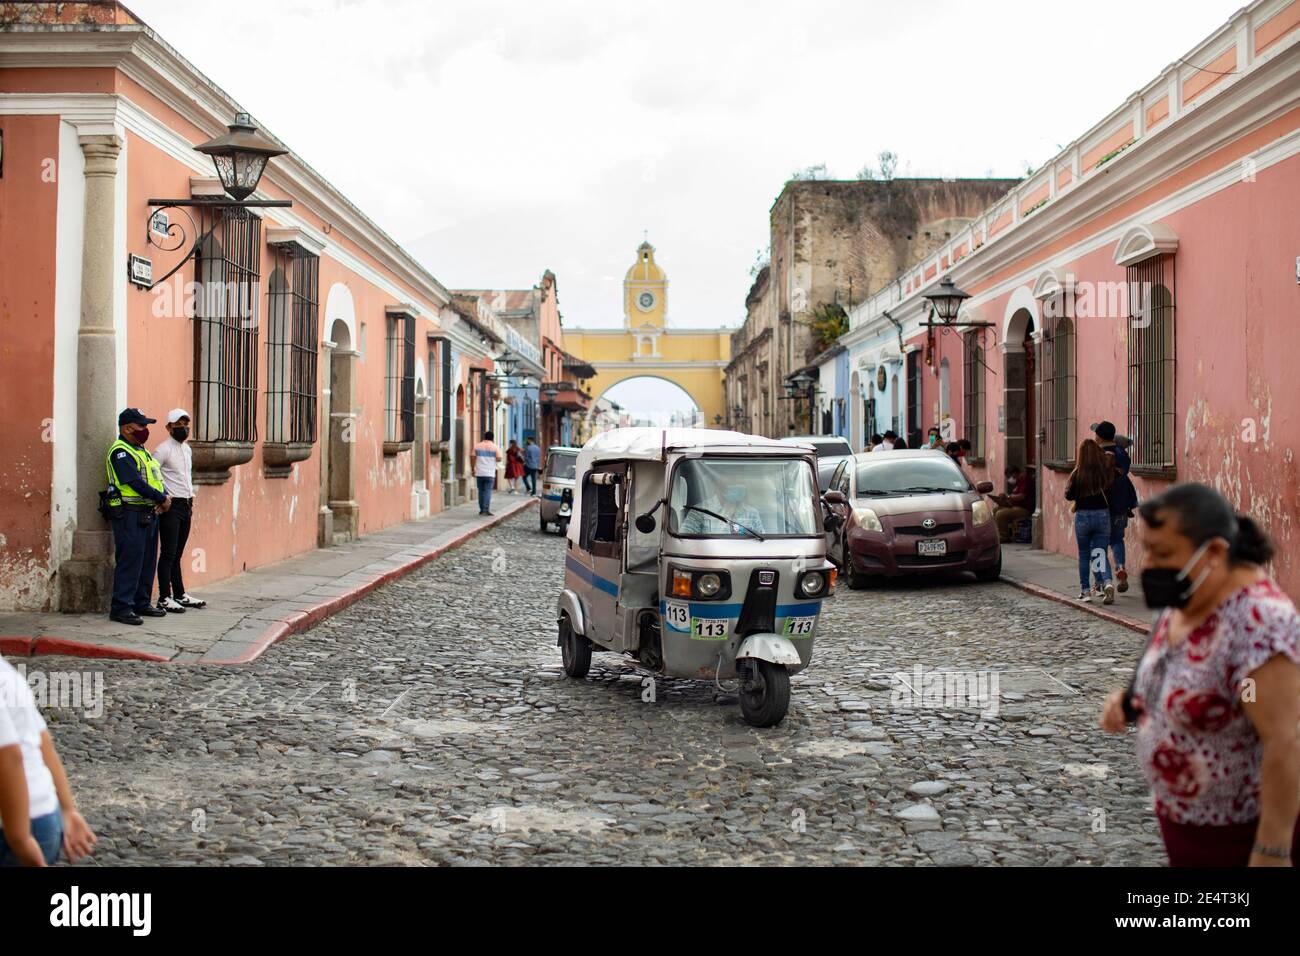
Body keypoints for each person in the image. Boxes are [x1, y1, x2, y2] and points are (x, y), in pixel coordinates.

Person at [1099, 484, 1299, 867]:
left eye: (1163, 553)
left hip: (1239, 836)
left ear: (1215, 553)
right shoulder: (1190, 595)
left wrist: (1271, 849)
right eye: (1148, 549)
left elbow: (1282, 741)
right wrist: (1129, 703)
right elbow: (1174, 672)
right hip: (1185, 829)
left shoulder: (1260, 624)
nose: (1149, 565)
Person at [0, 658, 97, 866]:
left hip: (17, 828)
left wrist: (21, 839)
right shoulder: (5, 670)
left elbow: (8, 757)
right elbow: (42, 740)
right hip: (43, 814)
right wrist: (67, 808)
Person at [105, 408, 170, 626]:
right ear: (127, 428)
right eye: (142, 426)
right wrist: (160, 497)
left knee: (147, 560)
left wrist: (162, 496)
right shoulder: (120, 451)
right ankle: (121, 607)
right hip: (129, 513)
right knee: (130, 560)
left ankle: (141, 602)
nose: (145, 430)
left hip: (148, 512)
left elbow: (154, 478)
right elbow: (133, 482)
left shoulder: (141, 451)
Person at [153, 409, 205, 613]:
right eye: (178, 425)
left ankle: (180, 594)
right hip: (171, 506)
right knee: (167, 554)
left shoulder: (187, 450)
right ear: (168, 428)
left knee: (177, 554)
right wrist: (163, 496)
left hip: (186, 505)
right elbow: (150, 474)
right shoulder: (162, 450)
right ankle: (164, 597)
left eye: (186, 424)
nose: (183, 428)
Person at [1065, 438, 1115, 604]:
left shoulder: (1077, 473)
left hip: (1083, 517)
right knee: (1100, 553)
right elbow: (1111, 484)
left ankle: (1085, 591)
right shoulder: (1103, 471)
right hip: (1102, 515)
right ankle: (1107, 583)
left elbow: (1069, 495)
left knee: (1084, 555)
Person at [1092, 420, 1138, 593]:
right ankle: (1120, 566)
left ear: (1098, 436)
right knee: (1117, 539)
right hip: (1121, 505)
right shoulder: (1121, 453)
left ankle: (1101, 582)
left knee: (1098, 545)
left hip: (1100, 506)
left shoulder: (1096, 454)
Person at [680, 480, 764, 536]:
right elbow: (685, 542)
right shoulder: (699, 511)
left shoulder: (752, 513)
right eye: (733, 482)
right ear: (718, 486)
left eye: (741, 483)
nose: (738, 484)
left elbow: (762, 540)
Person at [992, 464, 1035, 543]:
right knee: (995, 510)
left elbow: (1022, 496)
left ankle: (1004, 536)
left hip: (1024, 509)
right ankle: (998, 533)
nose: (1009, 479)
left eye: (1009, 476)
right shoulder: (1018, 482)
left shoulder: (1025, 480)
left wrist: (1008, 497)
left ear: (1015, 473)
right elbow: (1014, 495)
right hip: (1015, 506)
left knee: (1000, 514)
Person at [473, 430, 502, 516]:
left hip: (479, 472)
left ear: (484, 437)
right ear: (492, 438)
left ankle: (482, 509)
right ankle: (485, 509)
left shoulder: (477, 446)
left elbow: (472, 457)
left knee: (481, 491)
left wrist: (472, 468)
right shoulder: (495, 447)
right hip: (490, 473)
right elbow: (499, 458)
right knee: (487, 491)